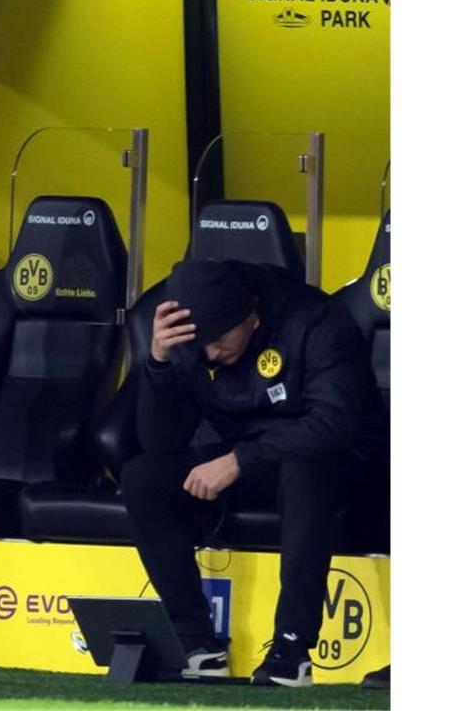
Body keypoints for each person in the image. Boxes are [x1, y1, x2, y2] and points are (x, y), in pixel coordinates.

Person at [120, 258, 386, 687]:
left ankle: (291, 647)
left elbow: (334, 426)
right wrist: (159, 363)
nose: (210, 354)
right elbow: (160, 443)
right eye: (200, 344)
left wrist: (240, 460)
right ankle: (197, 644)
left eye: (220, 340)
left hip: (338, 462)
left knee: (304, 471)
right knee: (143, 477)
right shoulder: (194, 341)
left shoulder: (316, 321)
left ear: (252, 316)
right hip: (249, 459)